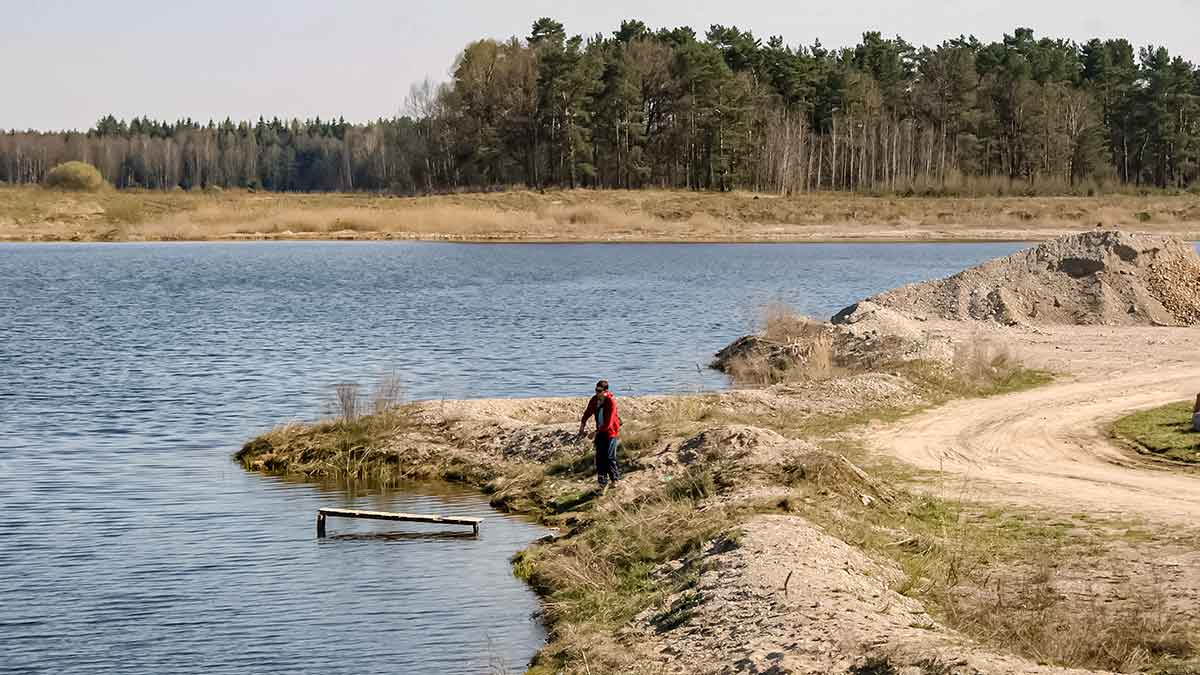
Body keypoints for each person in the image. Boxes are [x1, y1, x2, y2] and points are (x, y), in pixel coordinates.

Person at [579, 380, 621, 488]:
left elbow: (609, 423)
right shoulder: (594, 400)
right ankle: (602, 482)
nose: (597, 393)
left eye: (599, 391)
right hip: (600, 431)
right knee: (599, 457)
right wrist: (582, 425)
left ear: (606, 391)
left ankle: (614, 479)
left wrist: (595, 432)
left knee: (609, 457)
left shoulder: (610, 402)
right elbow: (588, 412)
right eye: (596, 390)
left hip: (610, 432)